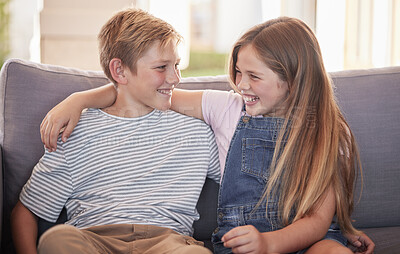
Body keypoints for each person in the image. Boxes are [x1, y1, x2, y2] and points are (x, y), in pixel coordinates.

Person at [39, 17, 375, 254]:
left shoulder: (331, 132)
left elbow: (317, 219)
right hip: (244, 244)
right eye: (238, 73)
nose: (241, 85)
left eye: (254, 76)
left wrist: (284, 241)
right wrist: (79, 99)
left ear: (295, 79)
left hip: (303, 240)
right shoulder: (227, 109)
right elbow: (149, 93)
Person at [11, 8, 220, 254]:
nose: (175, 78)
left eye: (176, 65)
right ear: (119, 71)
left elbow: (243, 180)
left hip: (168, 243)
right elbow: (25, 212)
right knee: (57, 239)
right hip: (95, 240)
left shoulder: (195, 128)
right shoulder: (76, 132)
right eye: (162, 67)